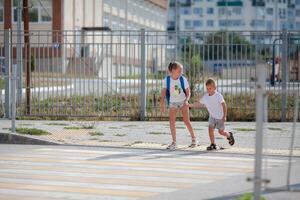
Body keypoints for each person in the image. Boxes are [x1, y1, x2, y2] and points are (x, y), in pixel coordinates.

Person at [160, 61, 198, 150]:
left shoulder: (182, 79)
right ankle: (174, 142)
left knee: (186, 121)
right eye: (179, 70)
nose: (181, 72)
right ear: (173, 70)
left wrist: (186, 101)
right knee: (172, 122)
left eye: (181, 71)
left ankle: (194, 139)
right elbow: (163, 93)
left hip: (183, 101)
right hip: (173, 102)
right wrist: (162, 104)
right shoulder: (167, 80)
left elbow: (188, 92)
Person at [189, 78, 235, 150]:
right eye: (207, 88)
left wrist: (224, 116)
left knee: (221, 132)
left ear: (215, 88)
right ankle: (213, 144)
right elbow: (199, 104)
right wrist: (190, 105)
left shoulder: (218, 96)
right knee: (210, 129)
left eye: (210, 88)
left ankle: (229, 135)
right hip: (212, 117)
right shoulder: (206, 97)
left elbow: (224, 105)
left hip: (220, 117)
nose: (208, 90)